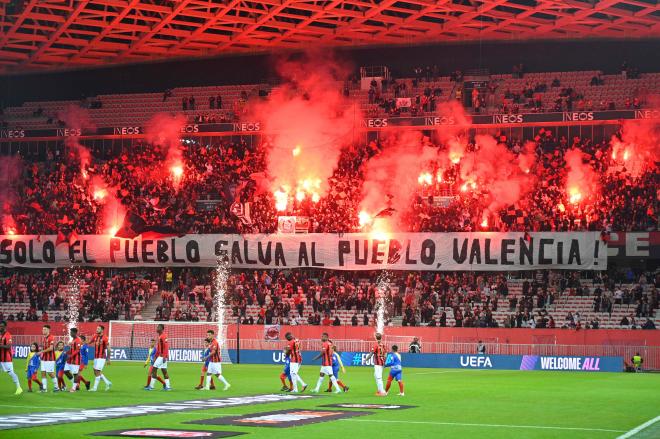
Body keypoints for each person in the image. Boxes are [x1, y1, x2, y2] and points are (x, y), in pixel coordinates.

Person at [146, 324, 172, 391]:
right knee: (164, 371)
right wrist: (155, 356)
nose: (157, 328)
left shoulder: (164, 336)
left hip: (162, 356)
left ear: (162, 329)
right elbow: (158, 348)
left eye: (158, 327)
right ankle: (168, 387)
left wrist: (164, 356)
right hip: (161, 356)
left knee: (154, 369)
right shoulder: (160, 336)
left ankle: (151, 387)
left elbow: (166, 347)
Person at [0, 321, 23, 395]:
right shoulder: (0, 335)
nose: (1, 327)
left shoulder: (8, 335)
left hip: (7, 359)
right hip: (1, 358)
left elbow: (8, 346)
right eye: (0, 326)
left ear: (5, 327)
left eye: (2, 326)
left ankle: (19, 388)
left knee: (11, 373)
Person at [89, 325, 112, 391]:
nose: (97, 330)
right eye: (97, 329)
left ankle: (95, 388)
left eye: (98, 329)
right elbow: (89, 342)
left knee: (97, 371)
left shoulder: (105, 338)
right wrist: (82, 341)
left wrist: (108, 359)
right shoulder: (95, 336)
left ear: (102, 330)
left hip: (101, 357)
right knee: (95, 372)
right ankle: (108, 383)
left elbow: (109, 349)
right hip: (96, 357)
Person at [36, 324, 58, 392]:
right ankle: (44, 389)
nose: (43, 330)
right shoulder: (44, 338)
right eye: (43, 329)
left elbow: (51, 348)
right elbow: (44, 347)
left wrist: (41, 351)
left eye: (45, 329)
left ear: (49, 330)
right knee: (43, 373)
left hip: (50, 358)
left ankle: (56, 387)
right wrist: (40, 350)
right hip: (44, 358)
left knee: (50, 373)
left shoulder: (51, 337)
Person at [64, 328, 83, 393]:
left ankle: (74, 388)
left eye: (71, 332)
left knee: (75, 374)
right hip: (70, 360)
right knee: (66, 371)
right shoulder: (73, 340)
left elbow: (77, 350)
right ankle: (75, 385)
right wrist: (66, 353)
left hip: (75, 360)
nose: (70, 333)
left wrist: (70, 356)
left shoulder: (78, 340)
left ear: (75, 333)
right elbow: (72, 349)